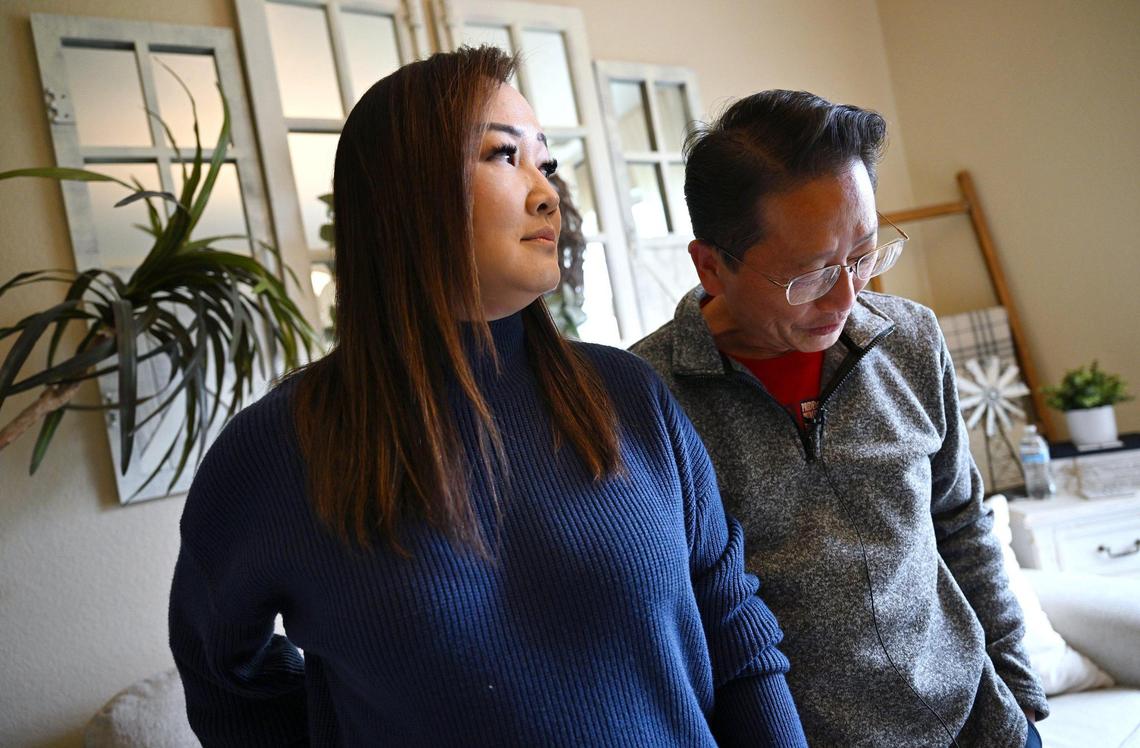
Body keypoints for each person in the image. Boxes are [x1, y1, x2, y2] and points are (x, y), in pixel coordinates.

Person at [168, 48, 807, 746]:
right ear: (403, 191)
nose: (547, 193)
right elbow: (226, 677)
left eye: (548, 164)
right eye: (504, 156)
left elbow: (735, 634)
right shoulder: (276, 452)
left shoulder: (628, 396)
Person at [631, 90, 1048, 747]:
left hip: (980, 725)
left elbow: (962, 523)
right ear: (712, 266)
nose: (849, 297)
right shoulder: (646, 398)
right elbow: (671, 621)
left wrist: (1021, 696)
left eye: (864, 255)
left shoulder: (910, 339)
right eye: (812, 273)